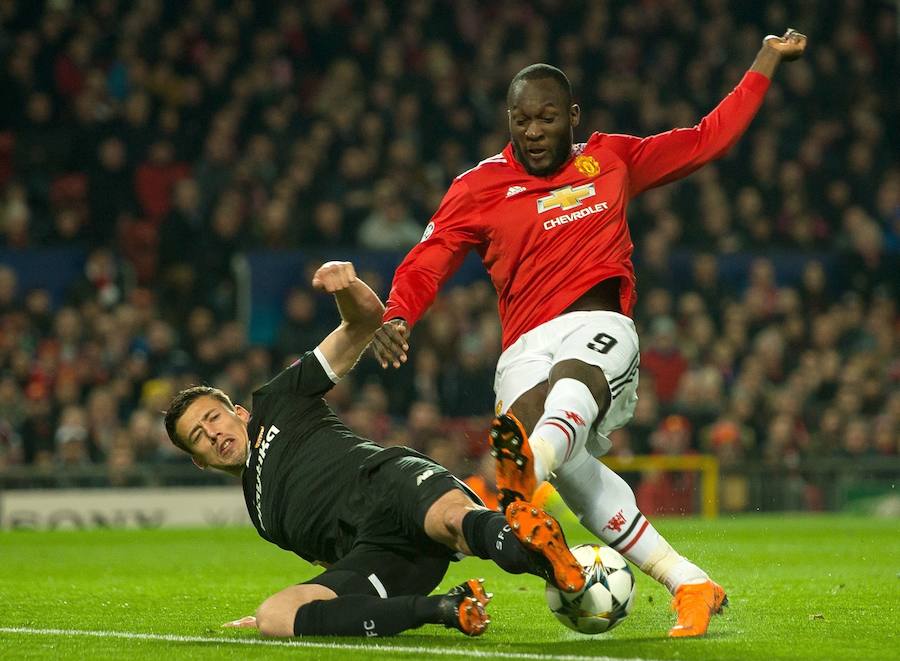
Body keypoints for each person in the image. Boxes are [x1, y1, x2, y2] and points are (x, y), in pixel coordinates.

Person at [373, 30, 808, 638]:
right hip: (524, 346)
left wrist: (765, 59)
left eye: (547, 117)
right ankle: (691, 583)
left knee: (563, 398)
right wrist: (398, 312)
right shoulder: (478, 186)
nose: (533, 131)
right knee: (561, 461)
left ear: (572, 117)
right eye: (521, 120)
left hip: (600, 328)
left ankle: (528, 469)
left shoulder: (612, 159)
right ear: (508, 120)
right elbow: (430, 258)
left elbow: (709, 139)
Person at [163, 261, 585, 640]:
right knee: (274, 616)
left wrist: (345, 286)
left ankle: (549, 560)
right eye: (198, 436)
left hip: (389, 483)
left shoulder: (278, 399)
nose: (212, 433)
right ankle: (445, 608)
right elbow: (331, 563)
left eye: (213, 418)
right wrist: (306, 610)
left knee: (451, 521)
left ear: (238, 412)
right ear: (199, 461)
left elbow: (363, 323)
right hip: (377, 553)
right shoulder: (262, 516)